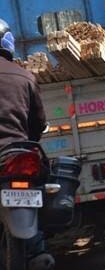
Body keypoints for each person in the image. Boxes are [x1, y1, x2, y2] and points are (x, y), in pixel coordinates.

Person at [0, 19, 54, 270]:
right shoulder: (25, 76)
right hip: (17, 156)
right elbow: (37, 124)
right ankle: (36, 247)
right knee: (39, 185)